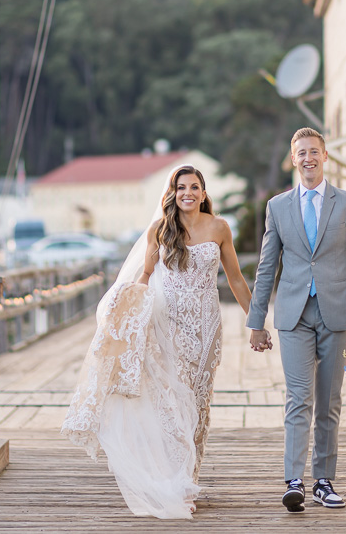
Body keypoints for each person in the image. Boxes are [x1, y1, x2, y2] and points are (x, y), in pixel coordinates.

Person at [61, 164, 261, 519]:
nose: (188, 193)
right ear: (173, 192)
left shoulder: (219, 228)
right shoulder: (160, 229)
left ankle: (190, 476)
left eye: (195, 187)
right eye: (181, 187)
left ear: (203, 192)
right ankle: (178, 483)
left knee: (198, 405)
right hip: (168, 326)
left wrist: (256, 322)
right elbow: (146, 275)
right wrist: (123, 311)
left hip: (207, 328)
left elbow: (236, 279)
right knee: (173, 402)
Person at [246, 127, 346, 512]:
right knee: (298, 398)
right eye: (301, 152)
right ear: (293, 159)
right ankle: (294, 481)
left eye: (314, 152)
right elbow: (266, 266)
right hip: (293, 315)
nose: (308, 158)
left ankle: (323, 480)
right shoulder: (277, 207)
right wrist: (257, 321)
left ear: (325, 156)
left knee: (329, 400)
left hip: (337, 313)